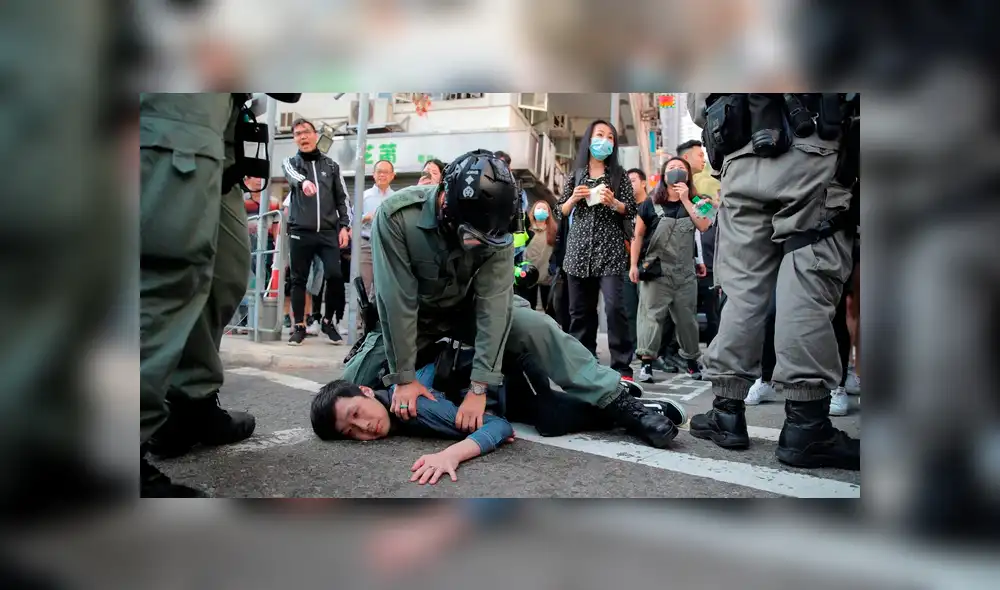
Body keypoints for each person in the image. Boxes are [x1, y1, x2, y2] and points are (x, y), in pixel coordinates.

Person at [350, 149, 679, 449]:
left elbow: (494, 307)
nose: (479, 244)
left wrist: (479, 389)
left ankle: (621, 403)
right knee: (346, 389)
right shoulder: (397, 217)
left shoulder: (497, 228)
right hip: (415, 318)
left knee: (537, 326)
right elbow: (398, 302)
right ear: (447, 207)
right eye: (472, 236)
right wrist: (404, 379)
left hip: (468, 310)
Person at [686, 93, 860, 470]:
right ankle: (806, 425)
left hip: (738, 158)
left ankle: (726, 412)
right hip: (811, 148)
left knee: (743, 290)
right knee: (808, 277)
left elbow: (699, 104)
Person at [140, 93, 302, 496]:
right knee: (165, 274)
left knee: (226, 273)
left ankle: (191, 400)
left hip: (223, 130)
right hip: (178, 105)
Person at [313, 348, 686, 485]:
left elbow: (496, 427)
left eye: (356, 413)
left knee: (550, 417)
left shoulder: (412, 404)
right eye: (352, 431)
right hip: (499, 392)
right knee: (545, 410)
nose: (363, 426)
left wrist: (452, 454)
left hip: (507, 370)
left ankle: (638, 407)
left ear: (365, 392)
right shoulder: (395, 403)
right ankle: (616, 390)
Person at [557, 120, 637, 380]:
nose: (605, 140)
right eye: (600, 135)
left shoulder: (619, 175)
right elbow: (561, 210)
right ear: (589, 139)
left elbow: (631, 209)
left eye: (610, 137)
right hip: (578, 253)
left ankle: (622, 366)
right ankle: (584, 365)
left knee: (614, 308)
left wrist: (614, 202)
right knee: (579, 313)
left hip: (610, 252)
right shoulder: (576, 174)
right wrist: (574, 198)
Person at [629, 157, 711, 383]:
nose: (676, 171)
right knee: (650, 317)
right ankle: (646, 365)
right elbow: (637, 236)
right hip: (657, 272)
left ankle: (692, 363)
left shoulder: (697, 200)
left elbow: (704, 225)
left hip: (685, 273)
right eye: (671, 168)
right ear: (664, 175)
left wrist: (686, 199)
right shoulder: (649, 203)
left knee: (687, 321)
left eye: (681, 169)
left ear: (688, 176)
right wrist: (633, 265)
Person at [282, 118, 350, 346]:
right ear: (294, 139)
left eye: (306, 132)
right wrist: (303, 183)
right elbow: (291, 174)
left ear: (315, 134)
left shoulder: (331, 166)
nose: (303, 136)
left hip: (328, 232)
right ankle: (299, 325)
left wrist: (344, 226)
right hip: (301, 231)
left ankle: (328, 321)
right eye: (298, 133)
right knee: (298, 279)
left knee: (335, 275)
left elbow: (342, 198)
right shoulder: (291, 162)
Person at [622, 168, 650, 361]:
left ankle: (652, 350)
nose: (629, 185)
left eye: (632, 180)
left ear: (643, 183)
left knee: (650, 311)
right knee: (630, 309)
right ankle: (635, 347)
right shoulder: (624, 209)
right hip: (626, 265)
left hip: (650, 265)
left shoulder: (652, 205)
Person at [359, 159, 396, 301]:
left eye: (386, 172)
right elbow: (352, 220)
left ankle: (377, 321)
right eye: (379, 172)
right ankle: (358, 323)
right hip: (366, 245)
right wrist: (365, 217)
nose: (382, 175)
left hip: (387, 246)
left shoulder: (396, 198)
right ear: (373, 175)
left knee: (383, 287)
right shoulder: (364, 196)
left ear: (392, 176)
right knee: (364, 286)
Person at [517, 200, 557, 310]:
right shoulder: (527, 229)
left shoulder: (553, 231)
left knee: (549, 306)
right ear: (533, 211)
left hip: (546, 276)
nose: (541, 211)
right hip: (528, 274)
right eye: (538, 208)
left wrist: (553, 269)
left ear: (549, 213)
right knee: (529, 305)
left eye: (544, 209)